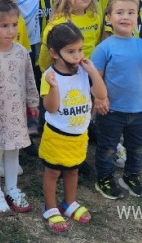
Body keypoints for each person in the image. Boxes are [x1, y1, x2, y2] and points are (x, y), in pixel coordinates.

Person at [91, 0, 142, 200]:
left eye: (131, 13)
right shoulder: (104, 48)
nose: (126, 17)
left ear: (138, 17)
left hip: (138, 110)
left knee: (137, 147)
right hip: (112, 110)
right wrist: (99, 100)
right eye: (120, 12)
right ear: (109, 17)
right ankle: (104, 178)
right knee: (107, 147)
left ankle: (131, 176)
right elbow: (95, 78)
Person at [38, 23, 106, 232]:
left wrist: (93, 71)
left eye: (80, 50)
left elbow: (102, 95)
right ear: (54, 53)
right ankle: (50, 207)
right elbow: (51, 108)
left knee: (73, 170)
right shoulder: (49, 76)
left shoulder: (85, 72)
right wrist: (54, 86)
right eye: (70, 52)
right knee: (53, 173)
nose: (77, 56)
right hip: (57, 135)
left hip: (79, 134)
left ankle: (69, 202)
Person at [0, 0, 39, 217]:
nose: (11, 30)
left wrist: (33, 102)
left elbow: (29, 78)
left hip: (16, 114)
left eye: (14, 24)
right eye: (4, 25)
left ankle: (12, 188)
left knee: (13, 152)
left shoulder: (21, 52)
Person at [37, 0, 103, 78]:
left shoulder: (95, 17)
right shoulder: (58, 23)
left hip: (88, 73)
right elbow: (45, 55)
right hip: (65, 75)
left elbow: (95, 42)